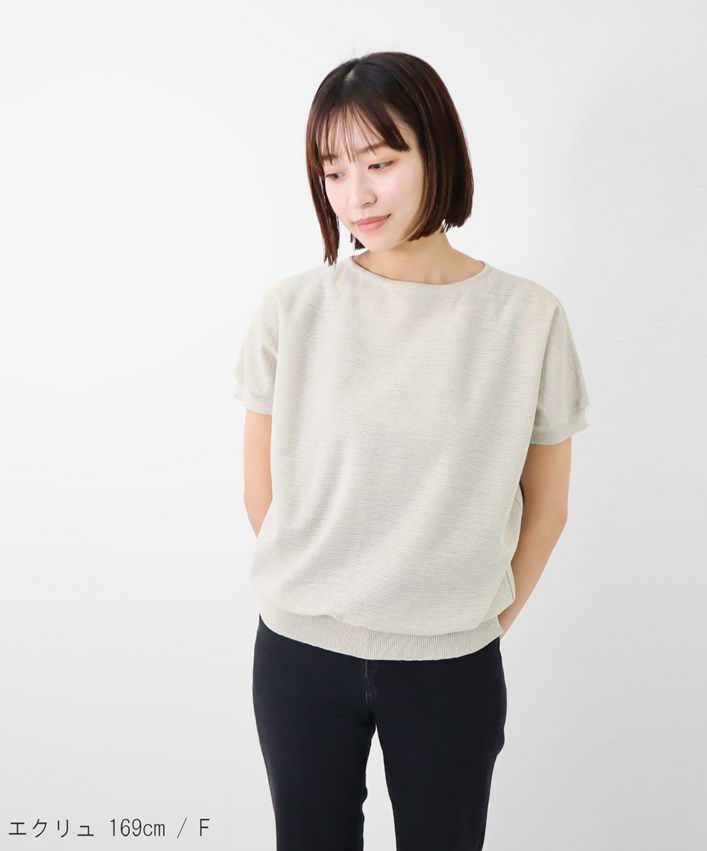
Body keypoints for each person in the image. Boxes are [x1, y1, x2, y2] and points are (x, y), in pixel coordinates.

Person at [233, 51, 589, 851]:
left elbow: (547, 508)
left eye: (379, 163)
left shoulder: (525, 318)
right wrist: (322, 590)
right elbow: (261, 493)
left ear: (436, 149)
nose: (354, 196)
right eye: (332, 172)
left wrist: (469, 627)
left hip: (451, 664)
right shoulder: (293, 310)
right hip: (297, 655)